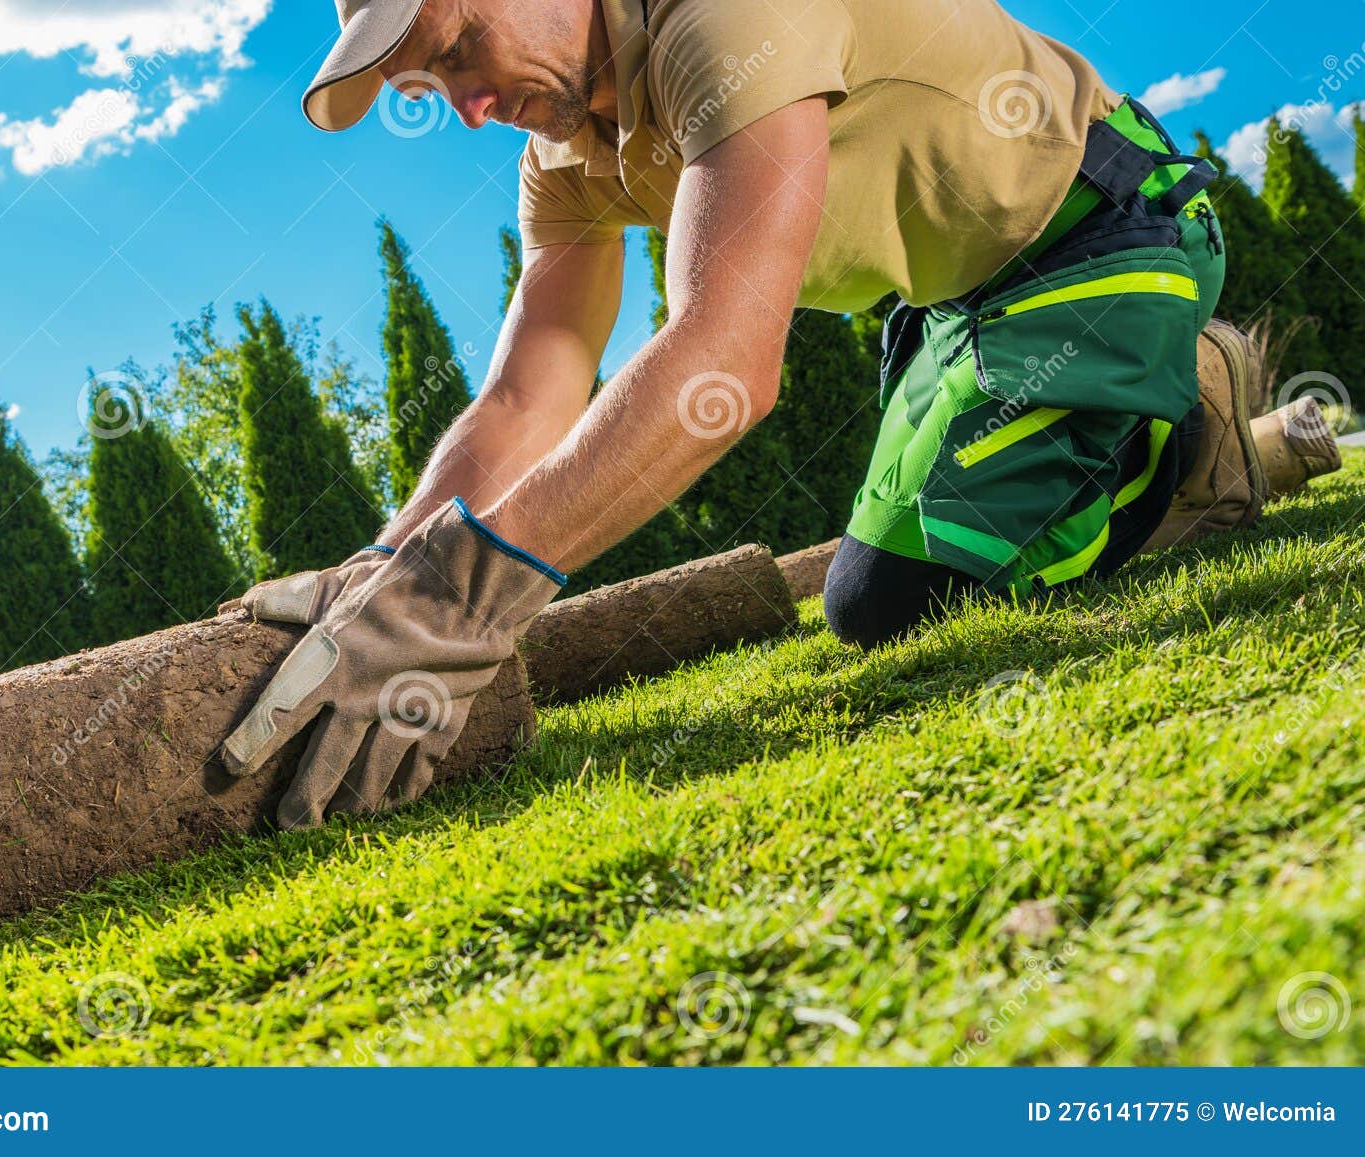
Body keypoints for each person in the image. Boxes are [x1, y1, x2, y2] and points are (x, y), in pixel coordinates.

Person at [220, 0, 1341, 826]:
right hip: (957, 308)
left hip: (1106, 236)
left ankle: (1193, 436)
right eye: (430, 88)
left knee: (891, 601)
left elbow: (726, 360)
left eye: (459, 46)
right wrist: (391, 563)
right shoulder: (562, 153)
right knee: (883, 583)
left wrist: (467, 599)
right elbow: (533, 382)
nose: (466, 106)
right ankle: (1159, 430)